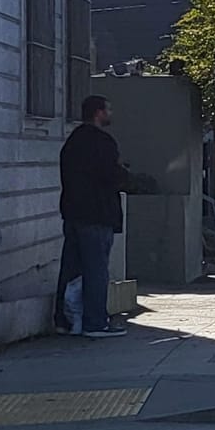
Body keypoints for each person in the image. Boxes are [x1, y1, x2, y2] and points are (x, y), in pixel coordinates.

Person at [54, 96, 129, 338]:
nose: (111, 113)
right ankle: (95, 322)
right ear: (98, 113)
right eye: (108, 109)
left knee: (71, 269)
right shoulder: (102, 142)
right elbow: (110, 175)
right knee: (96, 270)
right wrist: (125, 175)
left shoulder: (73, 141)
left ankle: (65, 320)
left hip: (73, 213)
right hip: (97, 213)